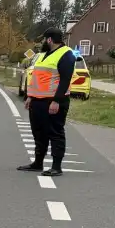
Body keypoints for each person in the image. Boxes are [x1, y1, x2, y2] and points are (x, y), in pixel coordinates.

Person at [18, 28, 75, 176]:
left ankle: (56, 167)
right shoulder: (42, 55)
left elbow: (65, 80)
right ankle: (38, 163)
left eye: (44, 39)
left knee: (55, 133)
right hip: (37, 101)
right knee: (38, 133)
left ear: (49, 39)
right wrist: (30, 96)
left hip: (53, 102)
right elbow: (37, 77)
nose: (43, 42)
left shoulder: (66, 54)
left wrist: (57, 101)